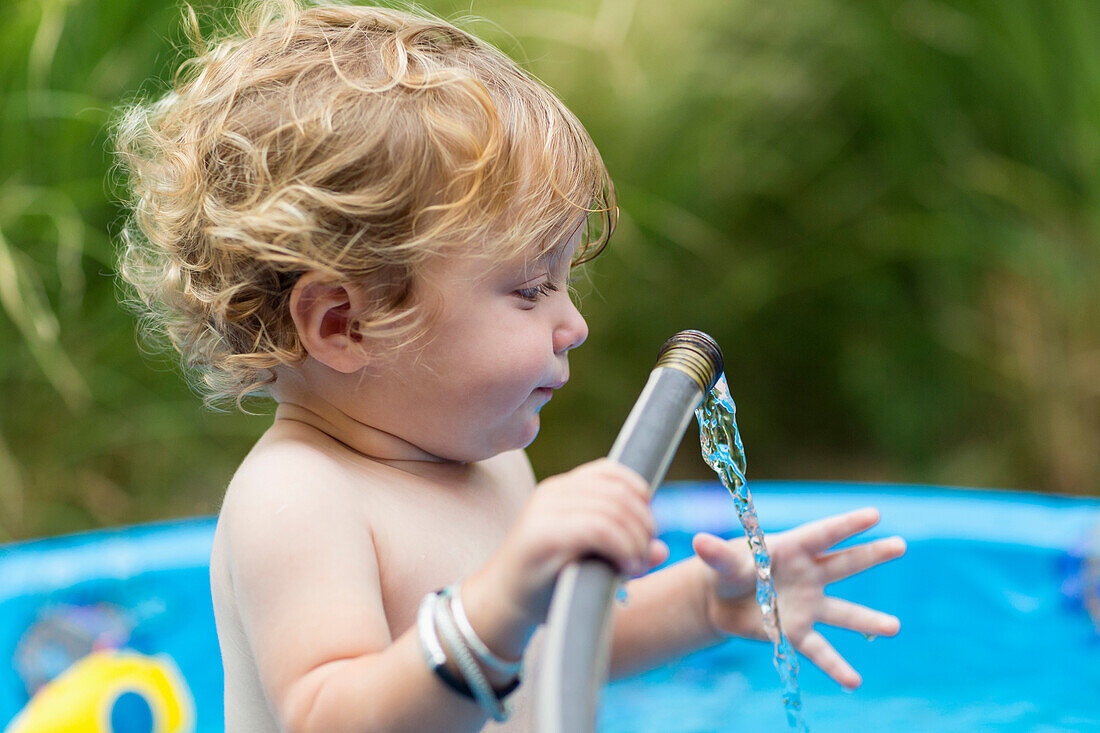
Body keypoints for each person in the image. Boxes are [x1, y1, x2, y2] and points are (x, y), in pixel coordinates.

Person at [113, 2, 907, 731]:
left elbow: (549, 651)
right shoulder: (299, 500)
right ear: (345, 323)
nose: (575, 324)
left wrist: (706, 601)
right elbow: (330, 714)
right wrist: (493, 603)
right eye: (530, 289)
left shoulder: (489, 465)